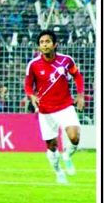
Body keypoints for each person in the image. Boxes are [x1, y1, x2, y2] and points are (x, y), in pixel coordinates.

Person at [24, 29, 85, 184]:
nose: (45, 45)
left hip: (65, 106)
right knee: (52, 146)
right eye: (42, 42)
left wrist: (80, 95)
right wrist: (31, 96)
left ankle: (67, 156)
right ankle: (58, 171)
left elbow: (77, 76)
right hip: (45, 111)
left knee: (74, 137)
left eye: (47, 41)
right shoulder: (33, 65)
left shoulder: (66, 61)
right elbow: (28, 85)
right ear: (39, 47)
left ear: (55, 44)